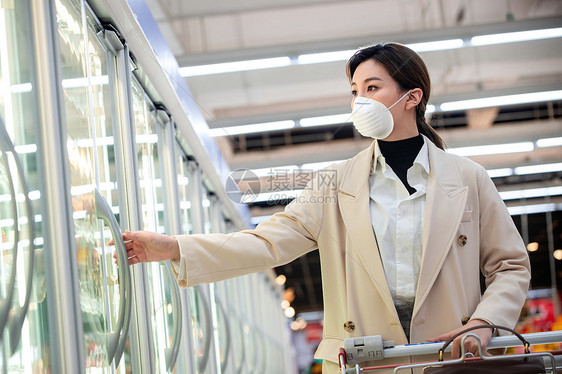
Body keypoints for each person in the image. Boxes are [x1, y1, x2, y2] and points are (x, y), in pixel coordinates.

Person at [113, 43, 531, 373]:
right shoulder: (334, 184)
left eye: (372, 88)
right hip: (367, 360)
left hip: (453, 356)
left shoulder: (468, 178)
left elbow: (510, 266)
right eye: (354, 91)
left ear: (412, 97)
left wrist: (484, 321)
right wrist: (174, 248)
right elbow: (267, 242)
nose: (359, 101)